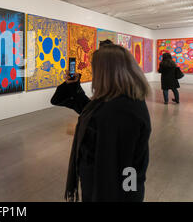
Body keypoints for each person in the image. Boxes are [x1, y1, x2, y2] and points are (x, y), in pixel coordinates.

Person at [51, 44, 151, 202]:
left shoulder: (123, 109)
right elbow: (86, 111)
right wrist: (74, 86)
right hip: (100, 183)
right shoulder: (115, 100)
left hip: (107, 190)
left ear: (108, 72)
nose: (94, 74)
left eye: (95, 69)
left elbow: (126, 165)